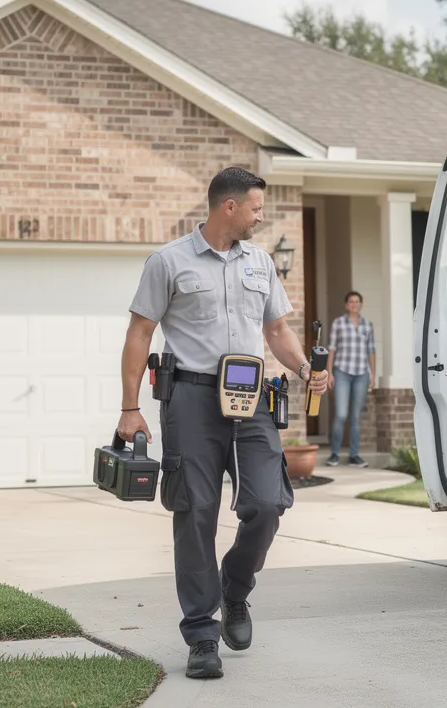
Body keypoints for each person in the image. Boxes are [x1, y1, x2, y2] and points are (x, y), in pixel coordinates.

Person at [117, 167, 329, 680]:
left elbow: (276, 330)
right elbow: (140, 333)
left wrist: (305, 369)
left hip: (251, 396)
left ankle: (235, 587)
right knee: (196, 511)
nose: (261, 217)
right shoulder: (169, 261)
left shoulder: (260, 263)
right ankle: (201, 635)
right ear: (228, 207)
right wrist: (129, 407)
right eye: (256, 208)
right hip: (190, 398)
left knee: (268, 502)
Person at [325, 291, 376, 467]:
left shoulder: (368, 325)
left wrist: (373, 374)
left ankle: (354, 455)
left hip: (362, 374)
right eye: (351, 301)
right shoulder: (338, 323)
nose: (354, 304)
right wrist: (329, 372)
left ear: (361, 304)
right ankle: (334, 454)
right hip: (342, 372)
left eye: (357, 301)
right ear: (346, 305)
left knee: (355, 417)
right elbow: (331, 348)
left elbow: (371, 351)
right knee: (341, 414)